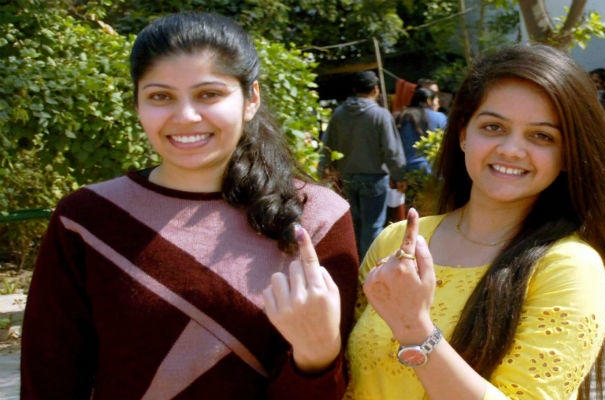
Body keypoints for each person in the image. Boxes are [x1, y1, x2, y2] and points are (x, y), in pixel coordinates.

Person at [20, 12, 359, 399]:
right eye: (160, 96)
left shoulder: (317, 219)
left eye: (209, 94)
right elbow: (47, 380)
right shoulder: (86, 219)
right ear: (137, 104)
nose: (185, 117)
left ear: (251, 99)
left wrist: (317, 354)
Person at [344, 44, 605, 399]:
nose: (510, 150)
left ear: (567, 155)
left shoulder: (569, 269)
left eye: (541, 136)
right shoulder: (396, 242)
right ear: (463, 133)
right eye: (493, 127)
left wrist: (415, 329)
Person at [319, 70, 406, 260]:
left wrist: (322, 169)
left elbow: (327, 144)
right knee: (372, 227)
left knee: (354, 226)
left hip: (346, 178)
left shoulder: (339, 114)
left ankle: (354, 265)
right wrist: (399, 176)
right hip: (374, 178)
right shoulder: (380, 115)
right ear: (375, 90)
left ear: (354, 90)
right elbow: (391, 151)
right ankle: (367, 270)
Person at [396, 87, 447, 175]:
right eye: (437, 101)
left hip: (405, 170)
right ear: (428, 101)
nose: (438, 105)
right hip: (430, 170)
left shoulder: (401, 116)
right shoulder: (440, 117)